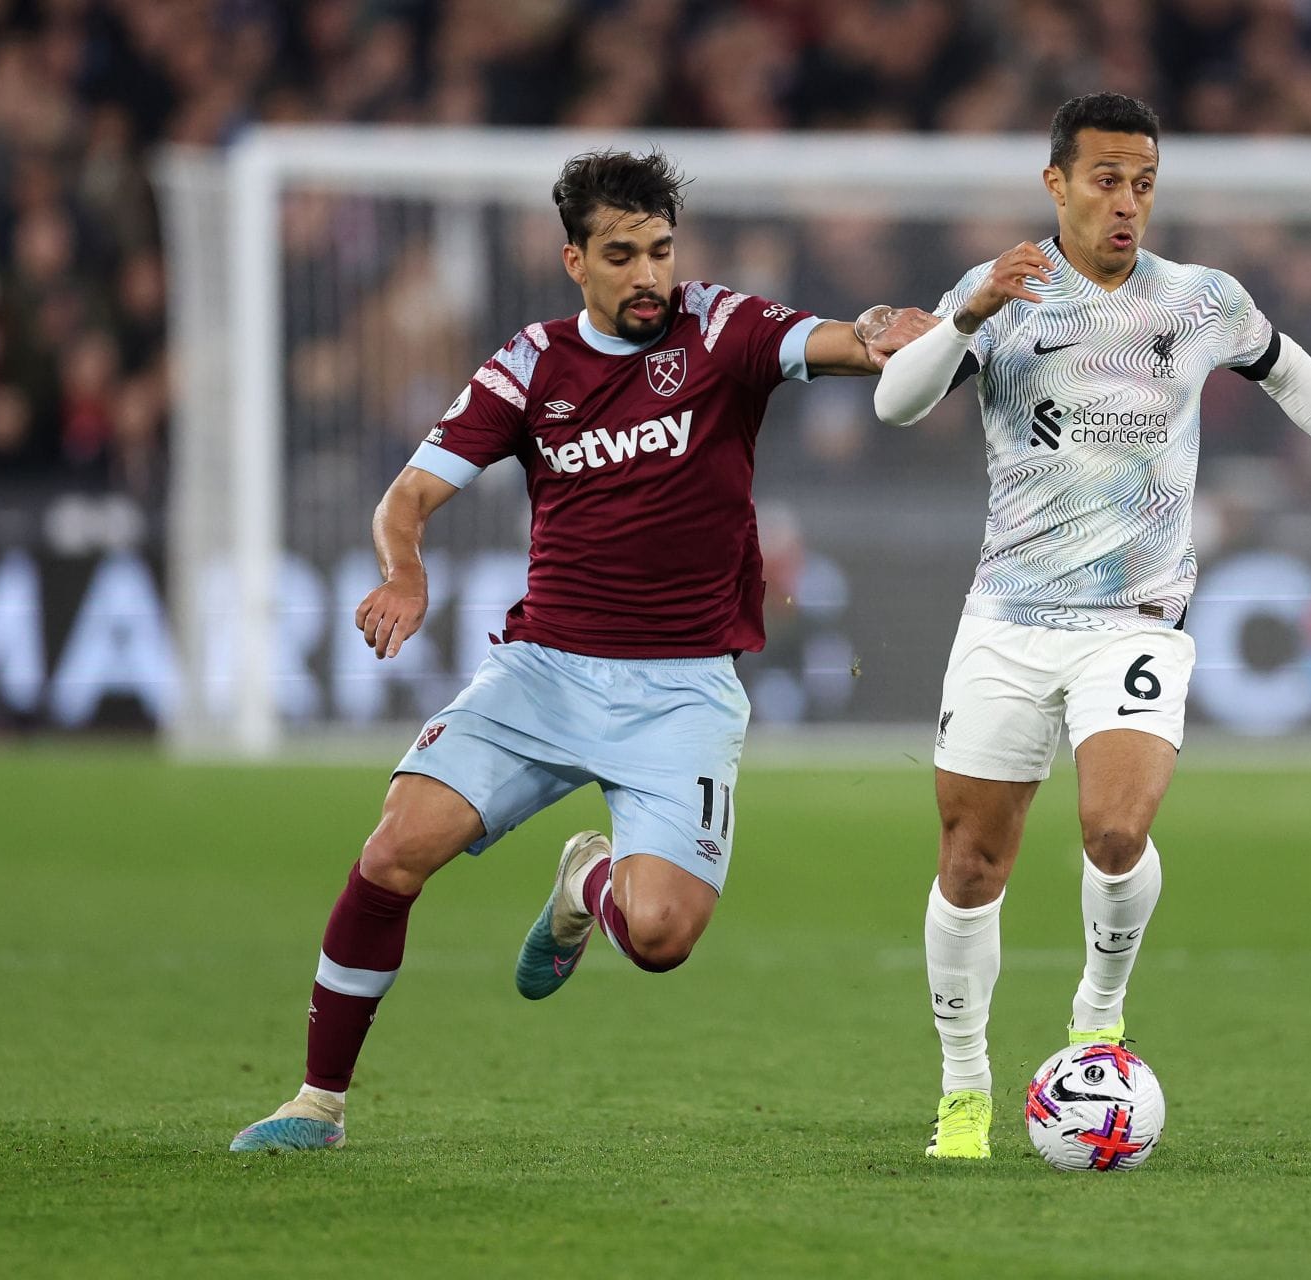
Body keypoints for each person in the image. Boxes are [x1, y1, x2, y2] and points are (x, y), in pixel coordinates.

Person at [231, 149, 932, 1152]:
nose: (650, 274)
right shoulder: (530, 365)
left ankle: (585, 882)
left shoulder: (720, 328)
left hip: (683, 690)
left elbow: (833, 341)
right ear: (576, 262)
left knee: (659, 937)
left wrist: (876, 332)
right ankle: (317, 1103)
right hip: (545, 669)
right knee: (392, 849)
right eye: (622, 254)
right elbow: (408, 497)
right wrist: (405, 572)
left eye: (661, 250)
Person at [873, 93, 1311, 1159]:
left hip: (1134, 618)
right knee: (972, 861)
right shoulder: (1001, 291)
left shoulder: (1199, 301)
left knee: (1117, 828)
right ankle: (964, 1089)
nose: (1127, 203)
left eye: (1144, 182)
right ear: (1056, 184)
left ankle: (1098, 1012)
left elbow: (1287, 367)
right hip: (1008, 616)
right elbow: (894, 404)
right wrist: (964, 315)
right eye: (1106, 179)